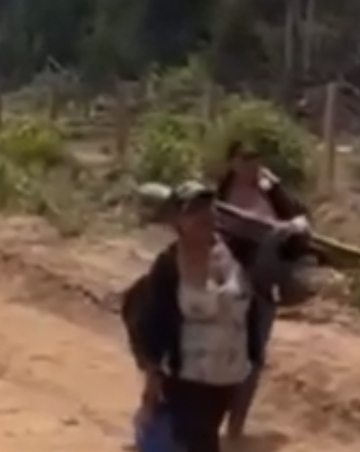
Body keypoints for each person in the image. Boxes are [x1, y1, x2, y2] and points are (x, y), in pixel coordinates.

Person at [125, 181, 293, 452]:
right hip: (187, 382)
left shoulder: (236, 256)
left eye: (208, 208)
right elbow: (151, 328)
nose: (204, 215)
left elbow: (259, 300)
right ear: (177, 220)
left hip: (227, 380)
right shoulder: (168, 268)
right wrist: (151, 392)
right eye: (194, 211)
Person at [215, 140, 311, 441]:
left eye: (256, 159)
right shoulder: (221, 194)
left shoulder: (272, 192)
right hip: (225, 284)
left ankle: (236, 429)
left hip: (263, 286)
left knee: (252, 359)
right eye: (246, 159)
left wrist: (289, 228)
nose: (252, 165)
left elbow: (301, 222)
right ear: (232, 162)